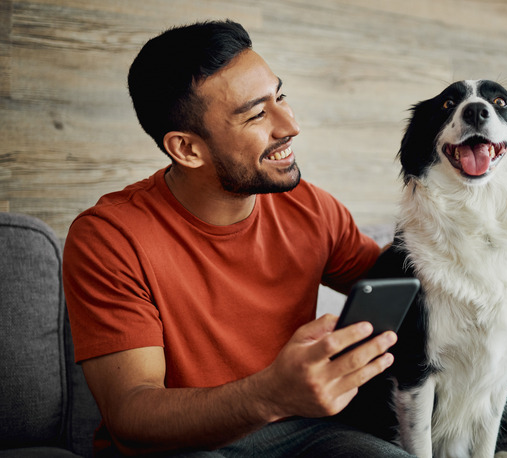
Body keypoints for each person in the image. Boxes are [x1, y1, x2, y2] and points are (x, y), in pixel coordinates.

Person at [63, 20, 411, 457]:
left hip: (306, 434)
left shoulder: (311, 207)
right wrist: (270, 394)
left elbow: (404, 285)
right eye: (257, 114)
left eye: (280, 96)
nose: (290, 125)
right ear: (187, 149)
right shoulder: (109, 237)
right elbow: (130, 413)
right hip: (182, 446)